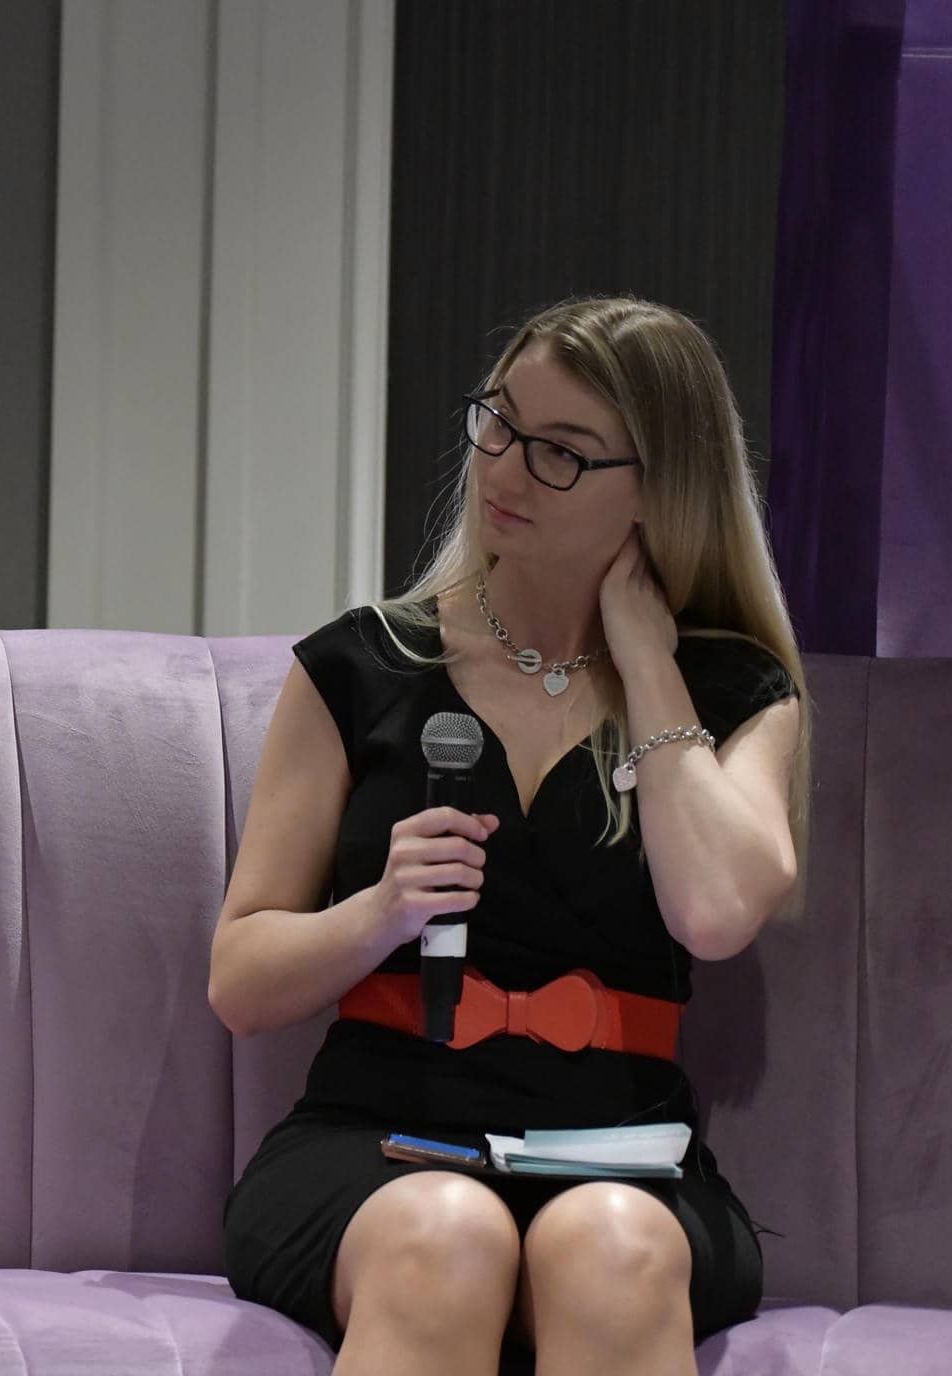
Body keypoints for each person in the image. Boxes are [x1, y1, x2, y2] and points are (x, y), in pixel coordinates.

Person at [212, 297, 806, 1376]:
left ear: (659, 487)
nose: (505, 469)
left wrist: (647, 656)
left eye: (561, 452)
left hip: (624, 1161)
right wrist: (377, 913)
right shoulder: (362, 666)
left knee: (608, 1245)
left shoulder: (733, 690)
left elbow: (717, 912)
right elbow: (241, 982)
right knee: (446, 1231)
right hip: (375, 1144)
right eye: (499, 421)